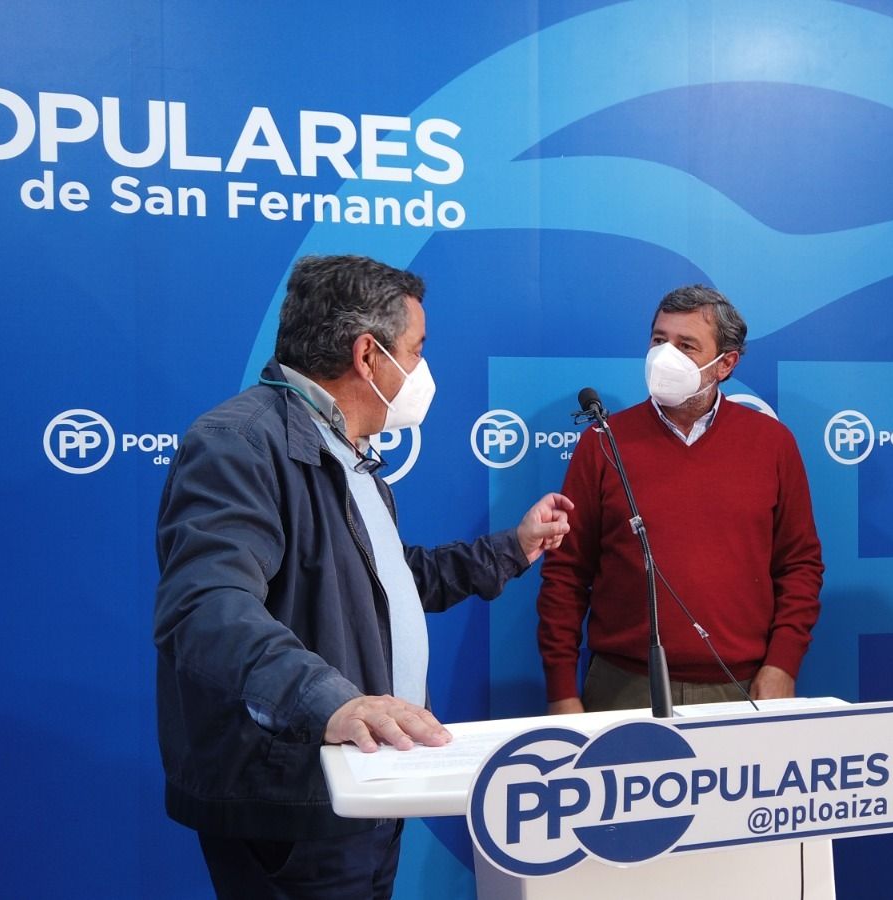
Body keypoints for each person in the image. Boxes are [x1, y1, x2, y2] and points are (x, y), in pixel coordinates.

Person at [153, 254, 573, 899]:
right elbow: (208, 607)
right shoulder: (240, 442)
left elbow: (382, 584)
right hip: (300, 796)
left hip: (367, 782)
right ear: (368, 355)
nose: (423, 371)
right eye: (417, 349)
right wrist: (333, 702)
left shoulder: (345, 450)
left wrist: (509, 550)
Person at [536, 284, 824, 714]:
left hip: (742, 687)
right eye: (658, 340)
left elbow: (799, 566)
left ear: (725, 363)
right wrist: (561, 691)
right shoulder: (603, 442)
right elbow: (566, 574)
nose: (663, 356)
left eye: (685, 345)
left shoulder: (772, 443)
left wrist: (783, 663)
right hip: (623, 688)